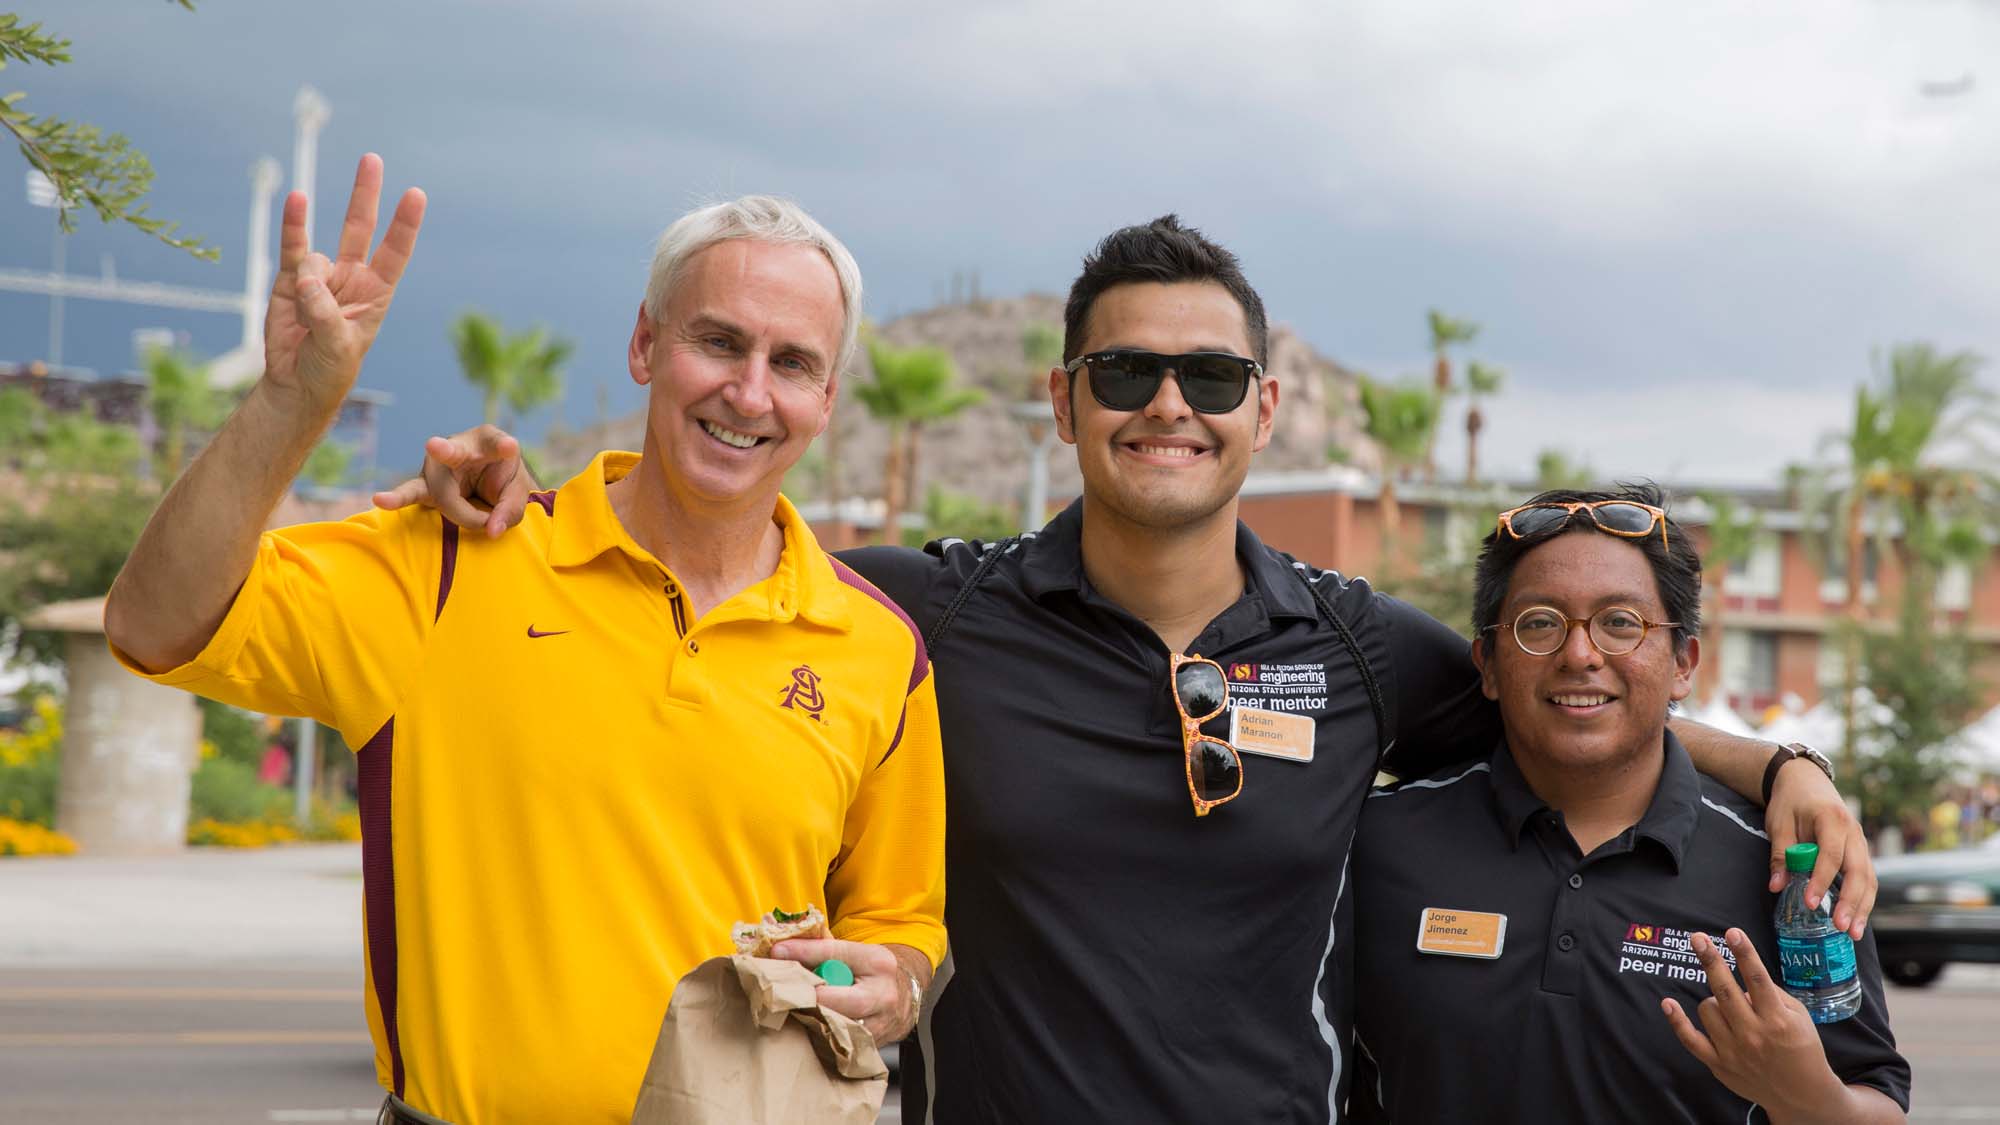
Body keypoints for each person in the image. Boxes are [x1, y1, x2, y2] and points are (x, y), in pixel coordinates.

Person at [401, 216, 1873, 1123]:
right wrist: (534, 506)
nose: (1169, 405)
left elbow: (1573, 705)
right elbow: (711, 566)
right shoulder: (927, 614)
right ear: (1063, 401)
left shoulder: (1361, 647)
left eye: (1211, 378)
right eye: (1125, 374)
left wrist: (1786, 768)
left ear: (1265, 409)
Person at [101, 157, 945, 1125]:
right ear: (644, 343)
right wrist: (295, 401)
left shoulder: (878, 648)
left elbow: (895, 921)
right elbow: (153, 624)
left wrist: (894, 981)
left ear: (827, 396)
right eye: (718, 342)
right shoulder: (453, 563)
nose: (749, 393)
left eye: (791, 362)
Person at [1350, 487, 1907, 1122]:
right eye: (1539, 624)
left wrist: (1808, 1096)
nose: (1581, 655)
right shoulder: (1375, 844)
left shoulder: (1786, 868)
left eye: (1621, 623)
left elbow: (1878, 1100)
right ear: (1489, 664)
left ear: (1683, 663)